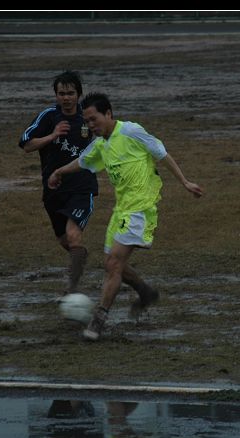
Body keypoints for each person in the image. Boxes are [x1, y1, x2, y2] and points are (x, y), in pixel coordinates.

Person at [48, 93, 204, 341]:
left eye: (94, 119)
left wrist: (185, 182)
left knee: (112, 264)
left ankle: (98, 320)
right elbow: (83, 161)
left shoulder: (131, 131)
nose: (91, 125)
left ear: (108, 113)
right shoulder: (101, 144)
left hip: (141, 209)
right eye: (87, 121)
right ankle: (145, 291)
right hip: (121, 210)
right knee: (113, 263)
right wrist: (59, 172)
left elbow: (161, 152)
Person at [19, 71, 97, 295]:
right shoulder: (48, 116)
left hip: (82, 187)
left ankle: (72, 290)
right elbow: (26, 145)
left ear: (78, 94)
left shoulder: (88, 116)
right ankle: (79, 256)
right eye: (61, 93)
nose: (66, 98)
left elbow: (109, 138)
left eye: (70, 93)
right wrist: (52, 136)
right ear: (56, 95)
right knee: (65, 241)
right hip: (53, 189)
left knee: (73, 235)